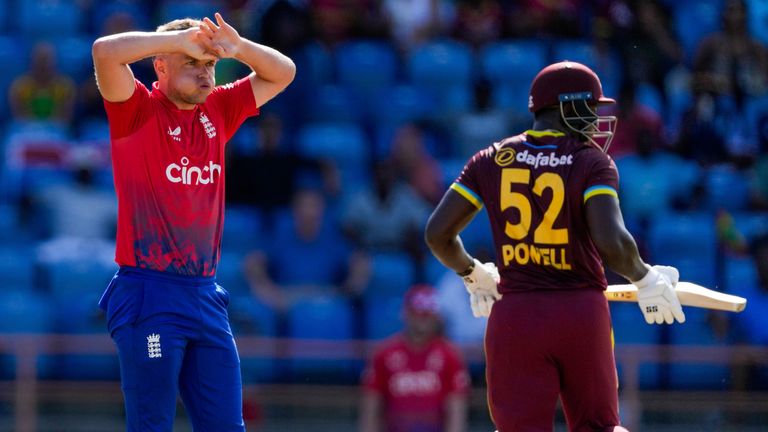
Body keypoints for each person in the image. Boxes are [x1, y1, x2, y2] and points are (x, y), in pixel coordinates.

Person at [424, 61, 686, 431]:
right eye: (591, 108)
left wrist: (472, 273)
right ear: (568, 106)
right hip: (580, 311)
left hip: (515, 314)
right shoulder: (590, 161)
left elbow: (437, 234)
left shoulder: (491, 158)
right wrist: (645, 278)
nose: (596, 120)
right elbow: (611, 243)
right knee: (600, 427)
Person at [92, 12, 295, 431]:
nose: (205, 74)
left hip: (205, 295)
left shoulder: (218, 109)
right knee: (152, 425)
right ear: (160, 66)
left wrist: (237, 48)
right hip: (148, 292)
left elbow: (283, 72)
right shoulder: (137, 112)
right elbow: (105, 53)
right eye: (191, 62)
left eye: (210, 65)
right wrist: (180, 39)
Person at [359, 284, 470, 432]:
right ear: (405, 313)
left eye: (427, 314)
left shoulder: (450, 356)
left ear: (436, 316)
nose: (422, 319)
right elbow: (371, 408)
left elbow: (456, 411)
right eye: (417, 313)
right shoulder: (384, 354)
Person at [9, 41, 76, 125]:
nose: (43, 65)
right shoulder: (19, 86)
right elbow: (19, 117)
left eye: (46, 61)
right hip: (26, 129)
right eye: (39, 61)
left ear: (54, 62)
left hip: (56, 130)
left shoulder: (65, 86)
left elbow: (65, 118)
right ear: (32, 62)